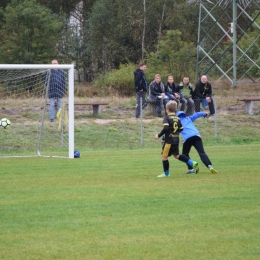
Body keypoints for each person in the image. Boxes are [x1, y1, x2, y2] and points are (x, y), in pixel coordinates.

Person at [154, 100, 199, 178]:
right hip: (176, 140)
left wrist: (159, 135)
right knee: (177, 155)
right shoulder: (177, 118)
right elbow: (181, 129)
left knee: (164, 157)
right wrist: (175, 132)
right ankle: (192, 163)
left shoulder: (166, 118)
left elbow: (165, 128)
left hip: (168, 141)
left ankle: (166, 173)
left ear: (167, 109)